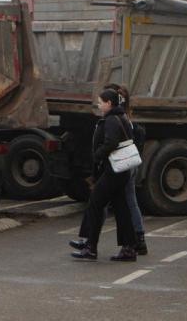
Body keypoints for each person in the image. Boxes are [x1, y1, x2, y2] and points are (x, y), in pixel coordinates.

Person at [69, 88, 138, 262]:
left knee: (95, 203)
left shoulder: (111, 120)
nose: (99, 106)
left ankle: (91, 247)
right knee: (121, 208)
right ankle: (129, 248)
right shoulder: (122, 117)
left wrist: (97, 155)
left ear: (108, 103)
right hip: (121, 170)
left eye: (100, 102)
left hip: (113, 170)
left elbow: (111, 143)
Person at [105, 84, 148, 256]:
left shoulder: (117, 119)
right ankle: (139, 239)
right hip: (130, 164)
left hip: (119, 165)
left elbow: (111, 143)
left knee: (105, 202)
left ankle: (89, 241)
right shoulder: (127, 117)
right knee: (130, 200)